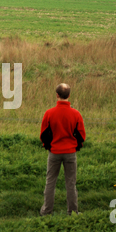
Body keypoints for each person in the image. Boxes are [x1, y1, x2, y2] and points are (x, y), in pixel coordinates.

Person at [40, 83, 86, 216]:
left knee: (50, 182)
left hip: (54, 152)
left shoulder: (49, 113)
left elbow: (43, 134)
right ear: (69, 96)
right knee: (71, 183)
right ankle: (72, 212)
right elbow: (81, 135)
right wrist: (76, 147)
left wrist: (48, 146)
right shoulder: (76, 114)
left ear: (57, 95)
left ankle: (47, 211)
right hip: (70, 152)